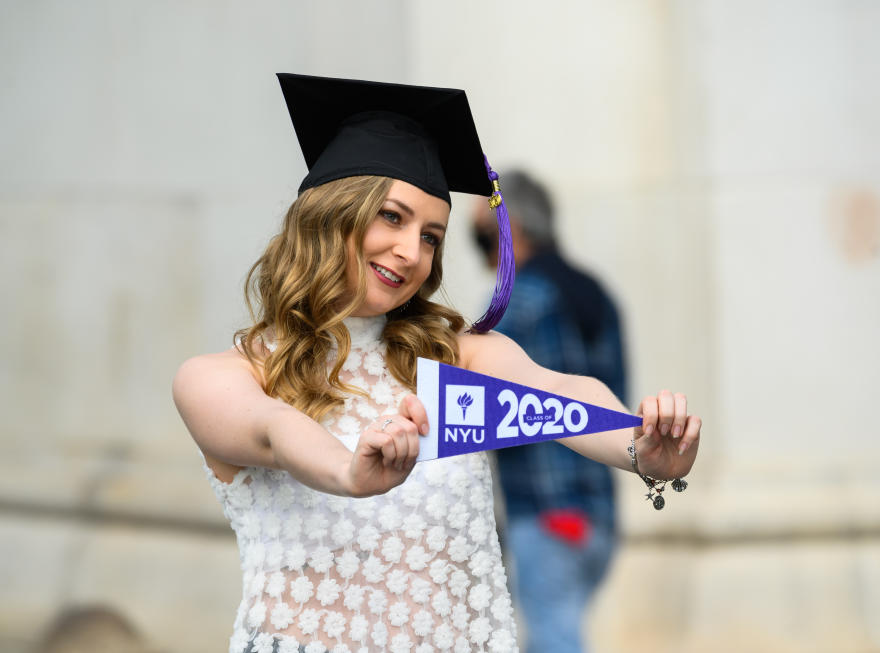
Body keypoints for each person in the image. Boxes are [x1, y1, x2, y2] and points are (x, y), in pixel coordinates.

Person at [173, 73, 701, 653]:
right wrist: (351, 473)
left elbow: (557, 393)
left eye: (431, 236)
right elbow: (273, 431)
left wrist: (637, 443)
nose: (411, 253)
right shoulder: (224, 376)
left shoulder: (457, 357)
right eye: (392, 218)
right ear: (330, 214)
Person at [472, 170, 626, 653]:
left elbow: (479, 402)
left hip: (546, 513)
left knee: (553, 639)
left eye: (482, 234)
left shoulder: (519, 300)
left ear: (511, 229)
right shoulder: (597, 292)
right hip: (597, 514)